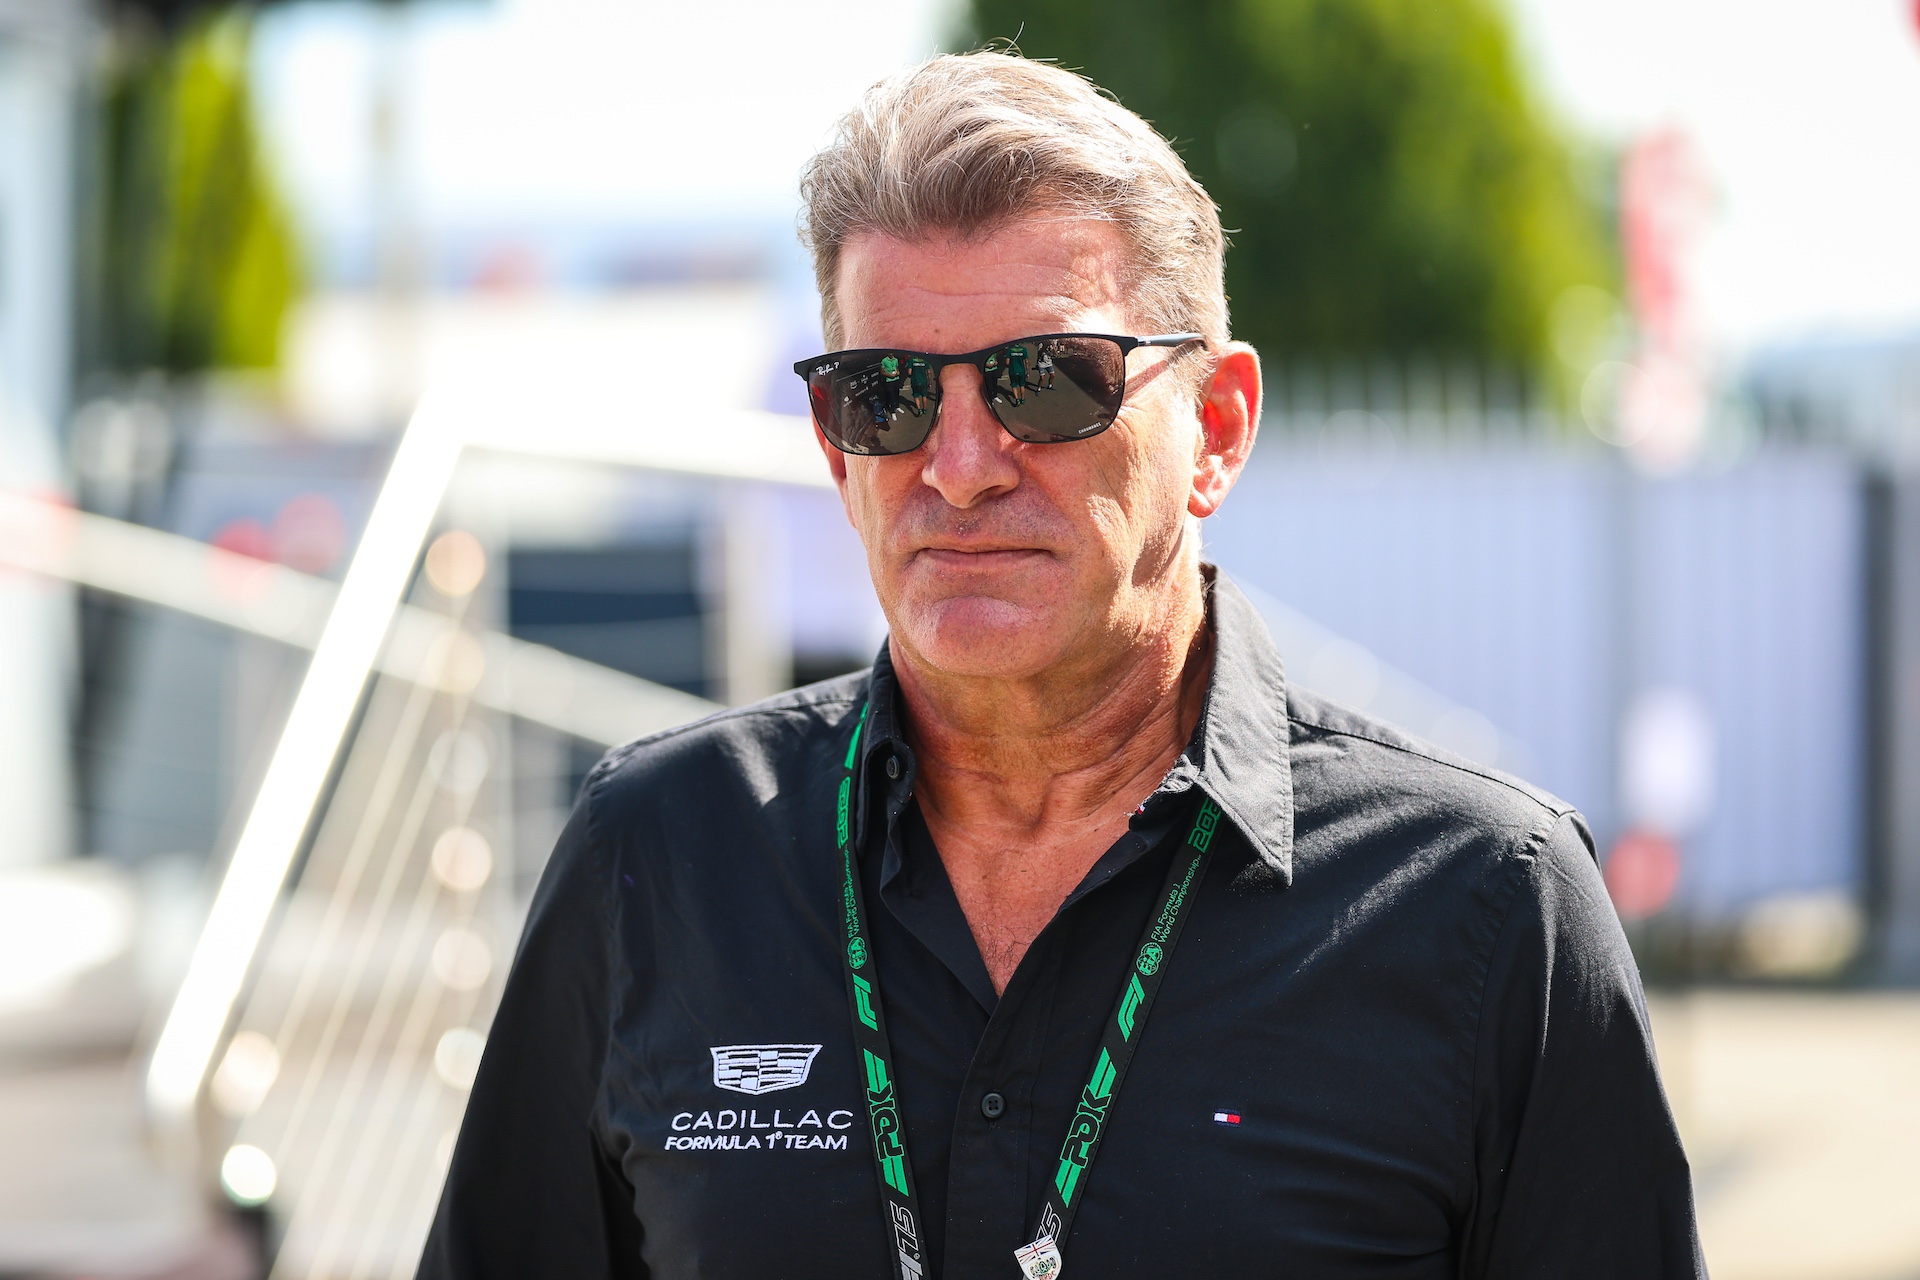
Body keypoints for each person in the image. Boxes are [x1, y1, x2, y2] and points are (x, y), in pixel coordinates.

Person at [419, 51, 1703, 1280]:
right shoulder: (657, 856)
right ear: (834, 448)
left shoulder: (1487, 907)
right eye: (888, 393)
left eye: (1046, 382)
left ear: (1217, 427)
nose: (960, 464)